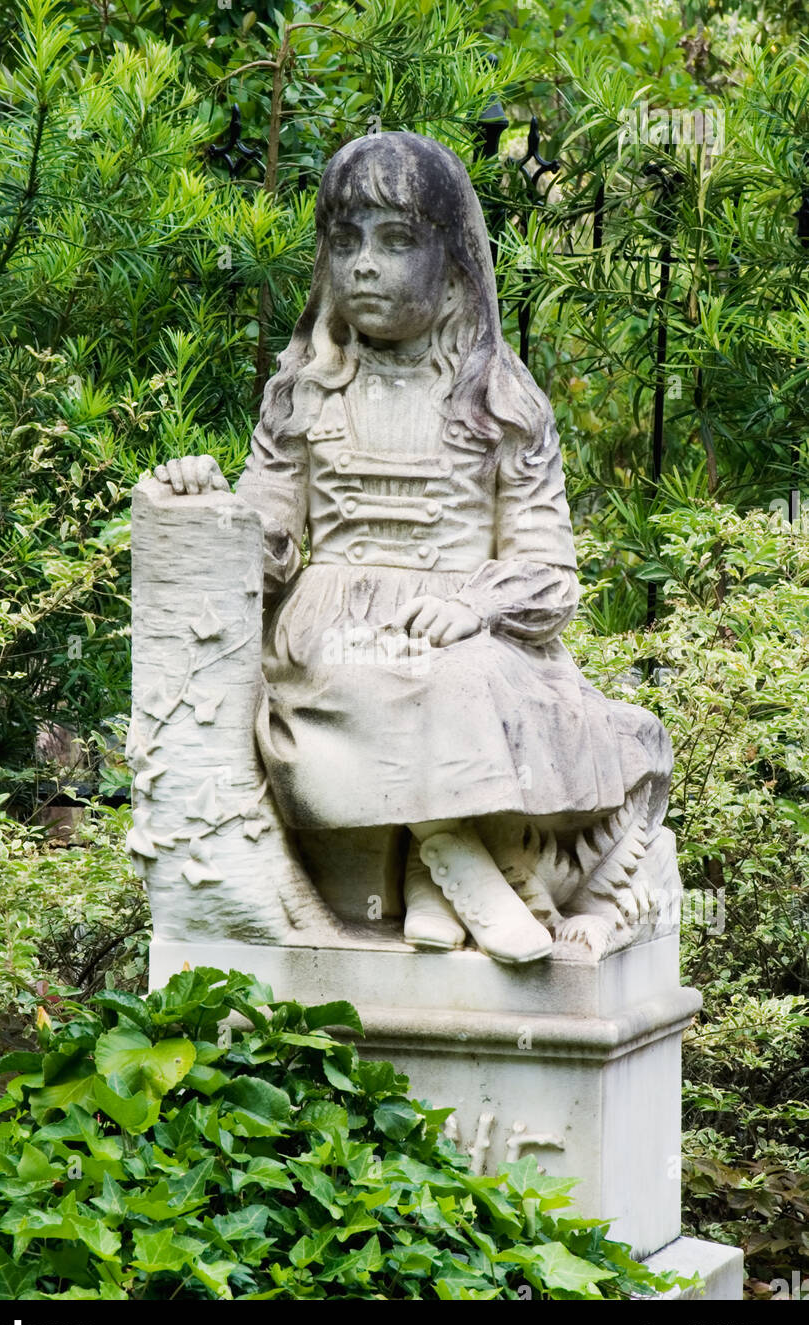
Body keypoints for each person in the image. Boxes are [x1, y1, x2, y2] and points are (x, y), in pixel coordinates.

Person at [158, 131, 672, 965]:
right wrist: (205, 500)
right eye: (347, 238)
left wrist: (474, 605)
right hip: (333, 642)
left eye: (396, 239)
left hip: (472, 632)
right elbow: (265, 530)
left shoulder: (503, 402)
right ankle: (462, 860)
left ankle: (449, 876)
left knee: (480, 678)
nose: (365, 262)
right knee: (394, 675)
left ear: (455, 261)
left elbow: (550, 568)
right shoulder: (303, 392)